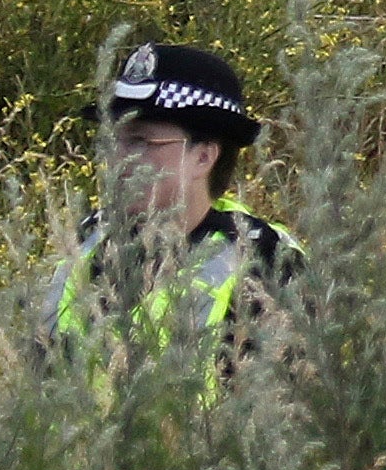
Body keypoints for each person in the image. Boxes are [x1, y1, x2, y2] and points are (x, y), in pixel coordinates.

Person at [53, 41, 298, 383]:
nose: (116, 159)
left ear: (203, 157)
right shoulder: (89, 239)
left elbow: (285, 417)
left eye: (140, 142)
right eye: (112, 140)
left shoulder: (263, 261)